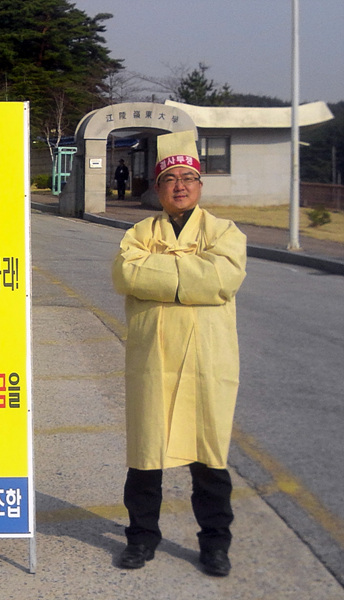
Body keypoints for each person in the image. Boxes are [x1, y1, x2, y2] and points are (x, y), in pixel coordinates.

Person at [111, 130, 247, 577]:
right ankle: (141, 539)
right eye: (170, 179)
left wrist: (161, 272)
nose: (180, 186)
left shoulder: (226, 232)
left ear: (200, 185)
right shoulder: (138, 232)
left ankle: (215, 544)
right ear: (159, 187)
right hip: (153, 358)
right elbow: (127, 275)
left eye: (188, 177)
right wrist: (191, 272)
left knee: (209, 457)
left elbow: (221, 281)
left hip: (208, 360)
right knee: (145, 455)